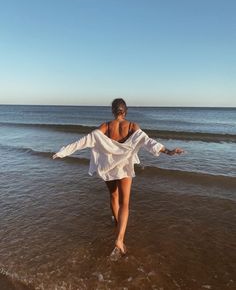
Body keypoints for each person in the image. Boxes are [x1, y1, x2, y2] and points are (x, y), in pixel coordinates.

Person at [52, 98, 184, 259]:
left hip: (108, 167)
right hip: (124, 167)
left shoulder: (106, 126)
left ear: (113, 110)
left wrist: (62, 152)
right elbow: (148, 142)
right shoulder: (132, 126)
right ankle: (120, 239)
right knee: (125, 203)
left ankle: (117, 225)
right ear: (125, 110)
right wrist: (168, 151)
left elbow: (85, 140)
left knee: (113, 195)